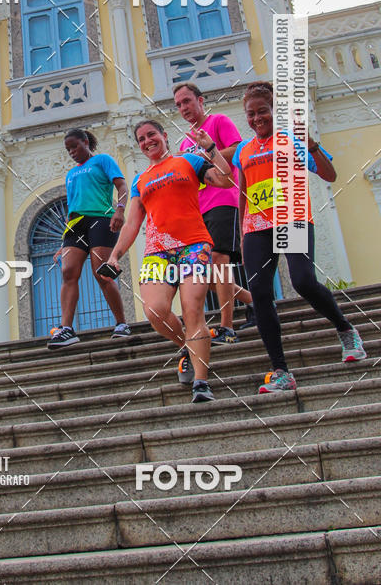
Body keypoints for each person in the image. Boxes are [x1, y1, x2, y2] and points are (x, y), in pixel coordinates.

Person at [233, 81, 366, 393]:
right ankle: (281, 371)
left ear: (272, 111)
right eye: (250, 114)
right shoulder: (244, 150)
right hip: (256, 228)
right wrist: (241, 232)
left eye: (261, 111)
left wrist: (312, 146)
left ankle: (346, 330)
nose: (256, 118)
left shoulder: (292, 141)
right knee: (261, 294)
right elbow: (242, 190)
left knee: (303, 281)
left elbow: (329, 175)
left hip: (291, 220)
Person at [107, 119, 233, 402]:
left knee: (192, 310)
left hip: (193, 245)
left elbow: (226, 180)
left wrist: (210, 148)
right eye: (141, 139)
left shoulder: (189, 161)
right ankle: (189, 347)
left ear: (164, 135)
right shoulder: (141, 180)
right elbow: (131, 225)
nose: (147, 141)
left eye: (152, 134)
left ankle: (201, 382)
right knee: (155, 311)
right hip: (157, 251)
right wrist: (116, 254)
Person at [175, 83, 255, 362]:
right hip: (199, 209)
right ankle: (252, 301)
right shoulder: (185, 141)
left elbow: (236, 150)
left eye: (187, 101)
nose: (184, 108)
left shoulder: (217, 121)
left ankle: (227, 327)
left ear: (200, 99)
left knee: (220, 259)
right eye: (179, 105)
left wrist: (207, 153)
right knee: (205, 274)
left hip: (224, 198)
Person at [48, 128, 130, 348]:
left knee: (101, 273)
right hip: (75, 225)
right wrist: (63, 241)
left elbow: (122, 185)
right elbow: (73, 205)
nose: (72, 152)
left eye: (74, 146)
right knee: (67, 272)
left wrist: (120, 210)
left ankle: (121, 324)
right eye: (68, 149)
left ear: (86, 142)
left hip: (100, 220)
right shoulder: (71, 174)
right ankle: (66, 329)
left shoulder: (103, 160)